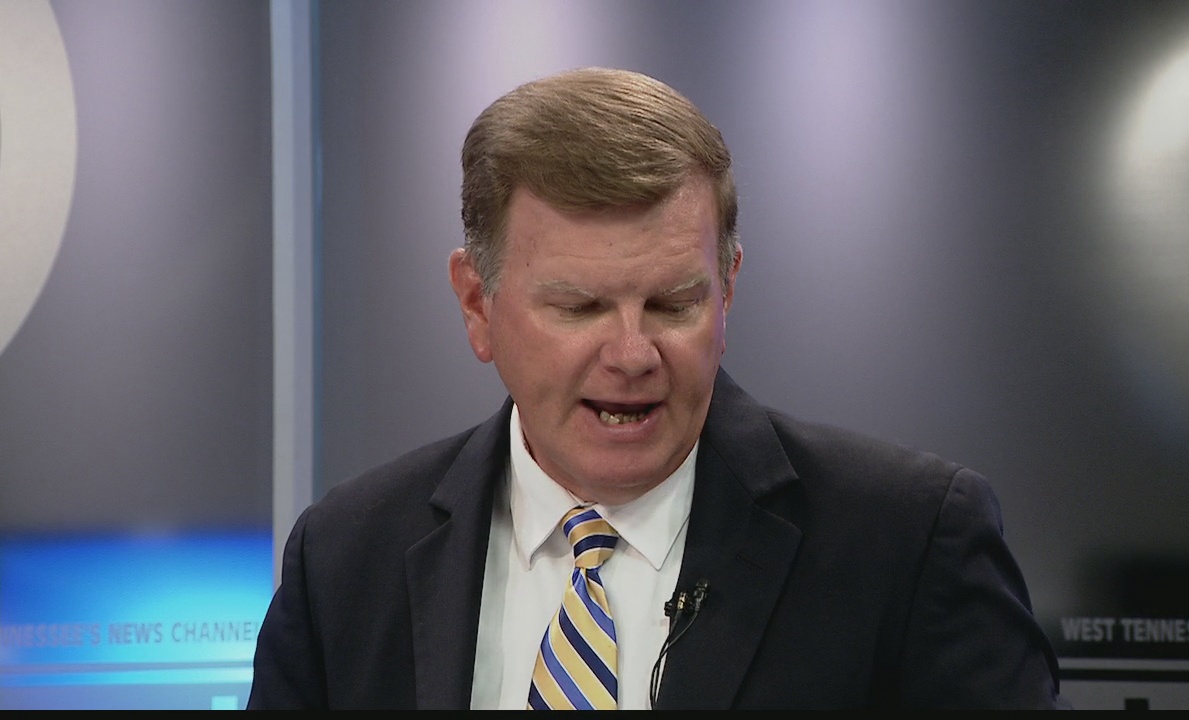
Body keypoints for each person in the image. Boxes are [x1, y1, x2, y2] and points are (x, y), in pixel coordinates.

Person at [247, 66, 1069, 710]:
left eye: (675, 304)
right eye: (579, 307)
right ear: (477, 304)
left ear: (729, 289)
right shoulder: (346, 559)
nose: (633, 354)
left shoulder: (907, 541)